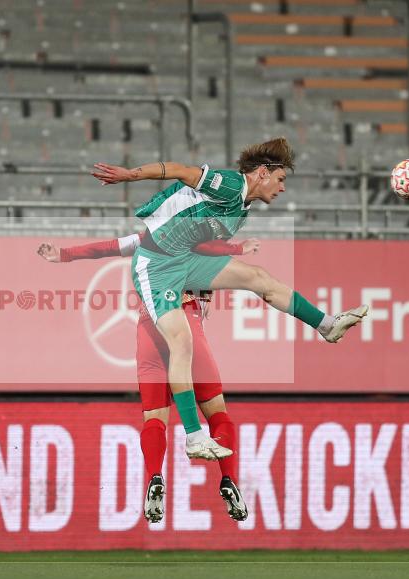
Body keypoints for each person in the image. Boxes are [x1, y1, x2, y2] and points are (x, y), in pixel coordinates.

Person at [91, 138, 368, 462]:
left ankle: (327, 325)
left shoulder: (241, 209)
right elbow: (180, 170)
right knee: (182, 342)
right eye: (280, 180)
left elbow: (200, 239)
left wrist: (204, 285)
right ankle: (195, 437)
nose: (282, 189)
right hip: (156, 265)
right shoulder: (232, 186)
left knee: (258, 278)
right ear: (263, 173)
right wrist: (128, 175)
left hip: (183, 261)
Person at [37, 232, 256, 522]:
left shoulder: (150, 236)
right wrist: (237, 248)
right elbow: (208, 247)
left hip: (147, 329)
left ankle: (155, 476)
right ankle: (228, 479)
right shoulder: (193, 236)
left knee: (154, 418)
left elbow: (107, 248)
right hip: (185, 322)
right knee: (217, 414)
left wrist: (64, 254)